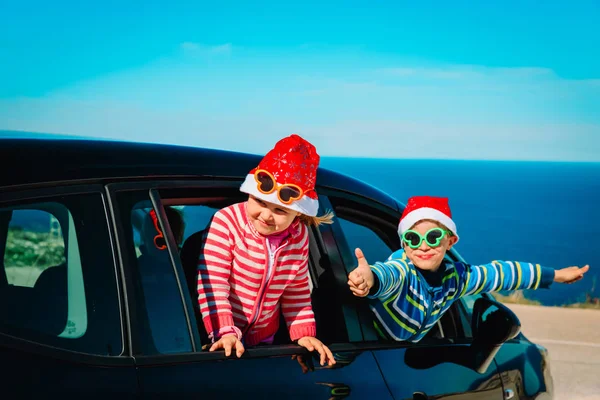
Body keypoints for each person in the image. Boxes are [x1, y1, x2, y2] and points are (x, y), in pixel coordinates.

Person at [347, 195, 590, 342]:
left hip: (403, 355)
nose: (422, 246)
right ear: (403, 243)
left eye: (433, 237)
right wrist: (370, 280)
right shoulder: (403, 270)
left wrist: (555, 275)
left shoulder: (457, 278)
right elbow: (387, 276)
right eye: (412, 238)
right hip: (377, 349)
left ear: (450, 241)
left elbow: (503, 274)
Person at [197, 134, 336, 367]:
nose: (265, 215)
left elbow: (295, 288)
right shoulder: (227, 221)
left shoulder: (299, 235)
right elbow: (213, 283)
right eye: (260, 202)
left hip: (264, 340)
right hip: (219, 338)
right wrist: (225, 332)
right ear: (249, 192)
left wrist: (303, 333)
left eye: (280, 210)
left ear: (298, 214)